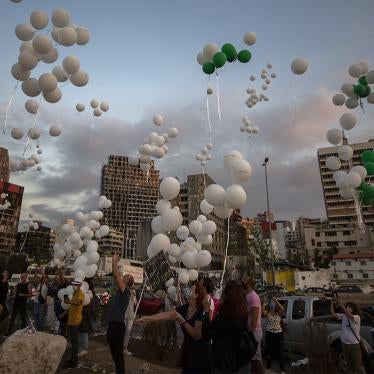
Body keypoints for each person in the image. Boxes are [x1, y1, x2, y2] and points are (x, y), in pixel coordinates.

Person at [137, 282, 213, 374]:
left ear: (196, 295)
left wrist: (181, 320)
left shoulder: (201, 310)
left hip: (201, 352)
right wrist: (147, 319)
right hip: (189, 351)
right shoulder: (185, 308)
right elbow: (165, 315)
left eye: (191, 289)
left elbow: (196, 335)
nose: (188, 290)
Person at [201, 280, 252, 373]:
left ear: (228, 296)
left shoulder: (224, 316)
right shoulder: (243, 313)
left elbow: (206, 334)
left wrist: (206, 311)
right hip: (242, 362)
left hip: (225, 364)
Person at [107, 254, 134, 374]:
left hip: (118, 326)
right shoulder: (120, 290)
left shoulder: (126, 290)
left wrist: (114, 260)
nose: (123, 277)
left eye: (126, 277)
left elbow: (117, 276)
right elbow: (116, 276)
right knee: (114, 351)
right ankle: (118, 370)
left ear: (129, 282)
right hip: (113, 325)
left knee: (118, 355)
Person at [330, 300, 363, 374]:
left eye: (348, 307)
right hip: (345, 343)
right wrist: (331, 303)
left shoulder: (356, 317)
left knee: (357, 365)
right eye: (347, 307)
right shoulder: (344, 316)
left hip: (354, 344)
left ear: (352, 309)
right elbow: (333, 315)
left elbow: (350, 316)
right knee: (349, 364)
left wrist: (342, 306)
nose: (347, 308)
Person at [242, 276, 264, 374]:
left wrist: (250, 334)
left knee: (256, 360)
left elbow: (254, 318)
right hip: (250, 331)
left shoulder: (253, 296)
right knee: (252, 360)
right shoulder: (248, 295)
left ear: (249, 283)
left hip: (254, 332)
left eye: (245, 280)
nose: (243, 281)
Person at [62, 278, 85, 369]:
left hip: (76, 321)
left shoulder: (81, 294)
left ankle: (74, 362)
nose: (74, 286)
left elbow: (78, 303)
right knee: (73, 341)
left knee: (75, 343)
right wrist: (64, 313)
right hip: (71, 320)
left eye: (76, 284)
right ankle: (72, 359)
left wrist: (69, 301)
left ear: (80, 285)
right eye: (73, 284)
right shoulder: (75, 293)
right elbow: (72, 306)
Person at [262, 298, 285, 374]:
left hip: (278, 334)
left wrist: (276, 301)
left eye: (273, 303)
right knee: (269, 352)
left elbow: (282, 308)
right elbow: (263, 311)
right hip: (270, 334)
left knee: (280, 353)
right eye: (271, 303)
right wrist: (264, 303)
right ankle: (268, 369)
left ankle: (282, 371)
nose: (272, 304)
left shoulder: (279, 312)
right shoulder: (267, 313)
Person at [124, 286, 137, 356]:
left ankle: (125, 348)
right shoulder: (124, 291)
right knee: (122, 331)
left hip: (130, 314)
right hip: (123, 314)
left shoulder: (133, 293)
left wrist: (134, 296)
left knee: (128, 332)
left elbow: (135, 303)